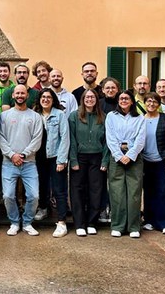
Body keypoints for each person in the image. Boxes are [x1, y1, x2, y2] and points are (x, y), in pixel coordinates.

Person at [0, 85, 44, 236]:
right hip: (8, 162)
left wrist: (23, 155)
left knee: (34, 196)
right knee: (8, 195)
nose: (20, 95)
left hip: (29, 163)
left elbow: (37, 139)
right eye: (17, 93)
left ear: (27, 96)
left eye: (22, 93)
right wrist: (12, 155)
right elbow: (0, 138)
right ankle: (14, 222)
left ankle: (27, 222)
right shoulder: (4, 116)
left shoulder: (35, 117)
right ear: (13, 95)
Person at [68, 89, 108, 237]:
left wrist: (105, 160)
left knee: (96, 190)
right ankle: (79, 223)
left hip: (97, 158)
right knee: (77, 190)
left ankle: (92, 222)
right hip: (79, 157)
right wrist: (73, 160)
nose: (89, 99)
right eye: (87, 97)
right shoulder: (74, 116)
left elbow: (106, 142)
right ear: (83, 99)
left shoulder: (103, 117)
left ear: (96, 99)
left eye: (92, 97)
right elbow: (71, 140)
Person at [106, 91, 146, 238]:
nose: (123, 100)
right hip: (116, 157)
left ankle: (134, 226)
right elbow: (110, 137)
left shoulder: (139, 118)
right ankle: (118, 225)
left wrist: (130, 155)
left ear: (131, 101)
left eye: (127, 98)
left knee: (134, 193)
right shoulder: (111, 116)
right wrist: (118, 155)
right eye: (121, 98)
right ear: (118, 101)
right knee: (117, 192)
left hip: (134, 157)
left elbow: (141, 139)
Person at [34, 88, 70, 238]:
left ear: (53, 99)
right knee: (42, 186)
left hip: (55, 156)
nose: (46, 99)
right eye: (43, 97)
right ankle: (43, 208)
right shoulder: (35, 115)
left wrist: (62, 160)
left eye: (49, 97)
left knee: (59, 190)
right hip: (38, 157)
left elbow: (65, 138)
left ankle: (61, 222)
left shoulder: (59, 115)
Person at [140, 92, 165, 234]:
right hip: (145, 161)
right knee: (149, 192)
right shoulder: (140, 119)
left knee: (164, 191)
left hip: (162, 160)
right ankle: (149, 220)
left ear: (158, 104)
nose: (151, 104)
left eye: (154, 101)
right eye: (148, 101)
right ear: (145, 103)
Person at [98, 76, 120, 223]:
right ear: (103, 90)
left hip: (118, 149)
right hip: (100, 148)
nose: (110, 90)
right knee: (99, 182)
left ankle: (114, 210)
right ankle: (102, 209)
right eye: (108, 88)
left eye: (113, 88)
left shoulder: (122, 103)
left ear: (117, 89)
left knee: (114, 182)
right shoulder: (98, 104)